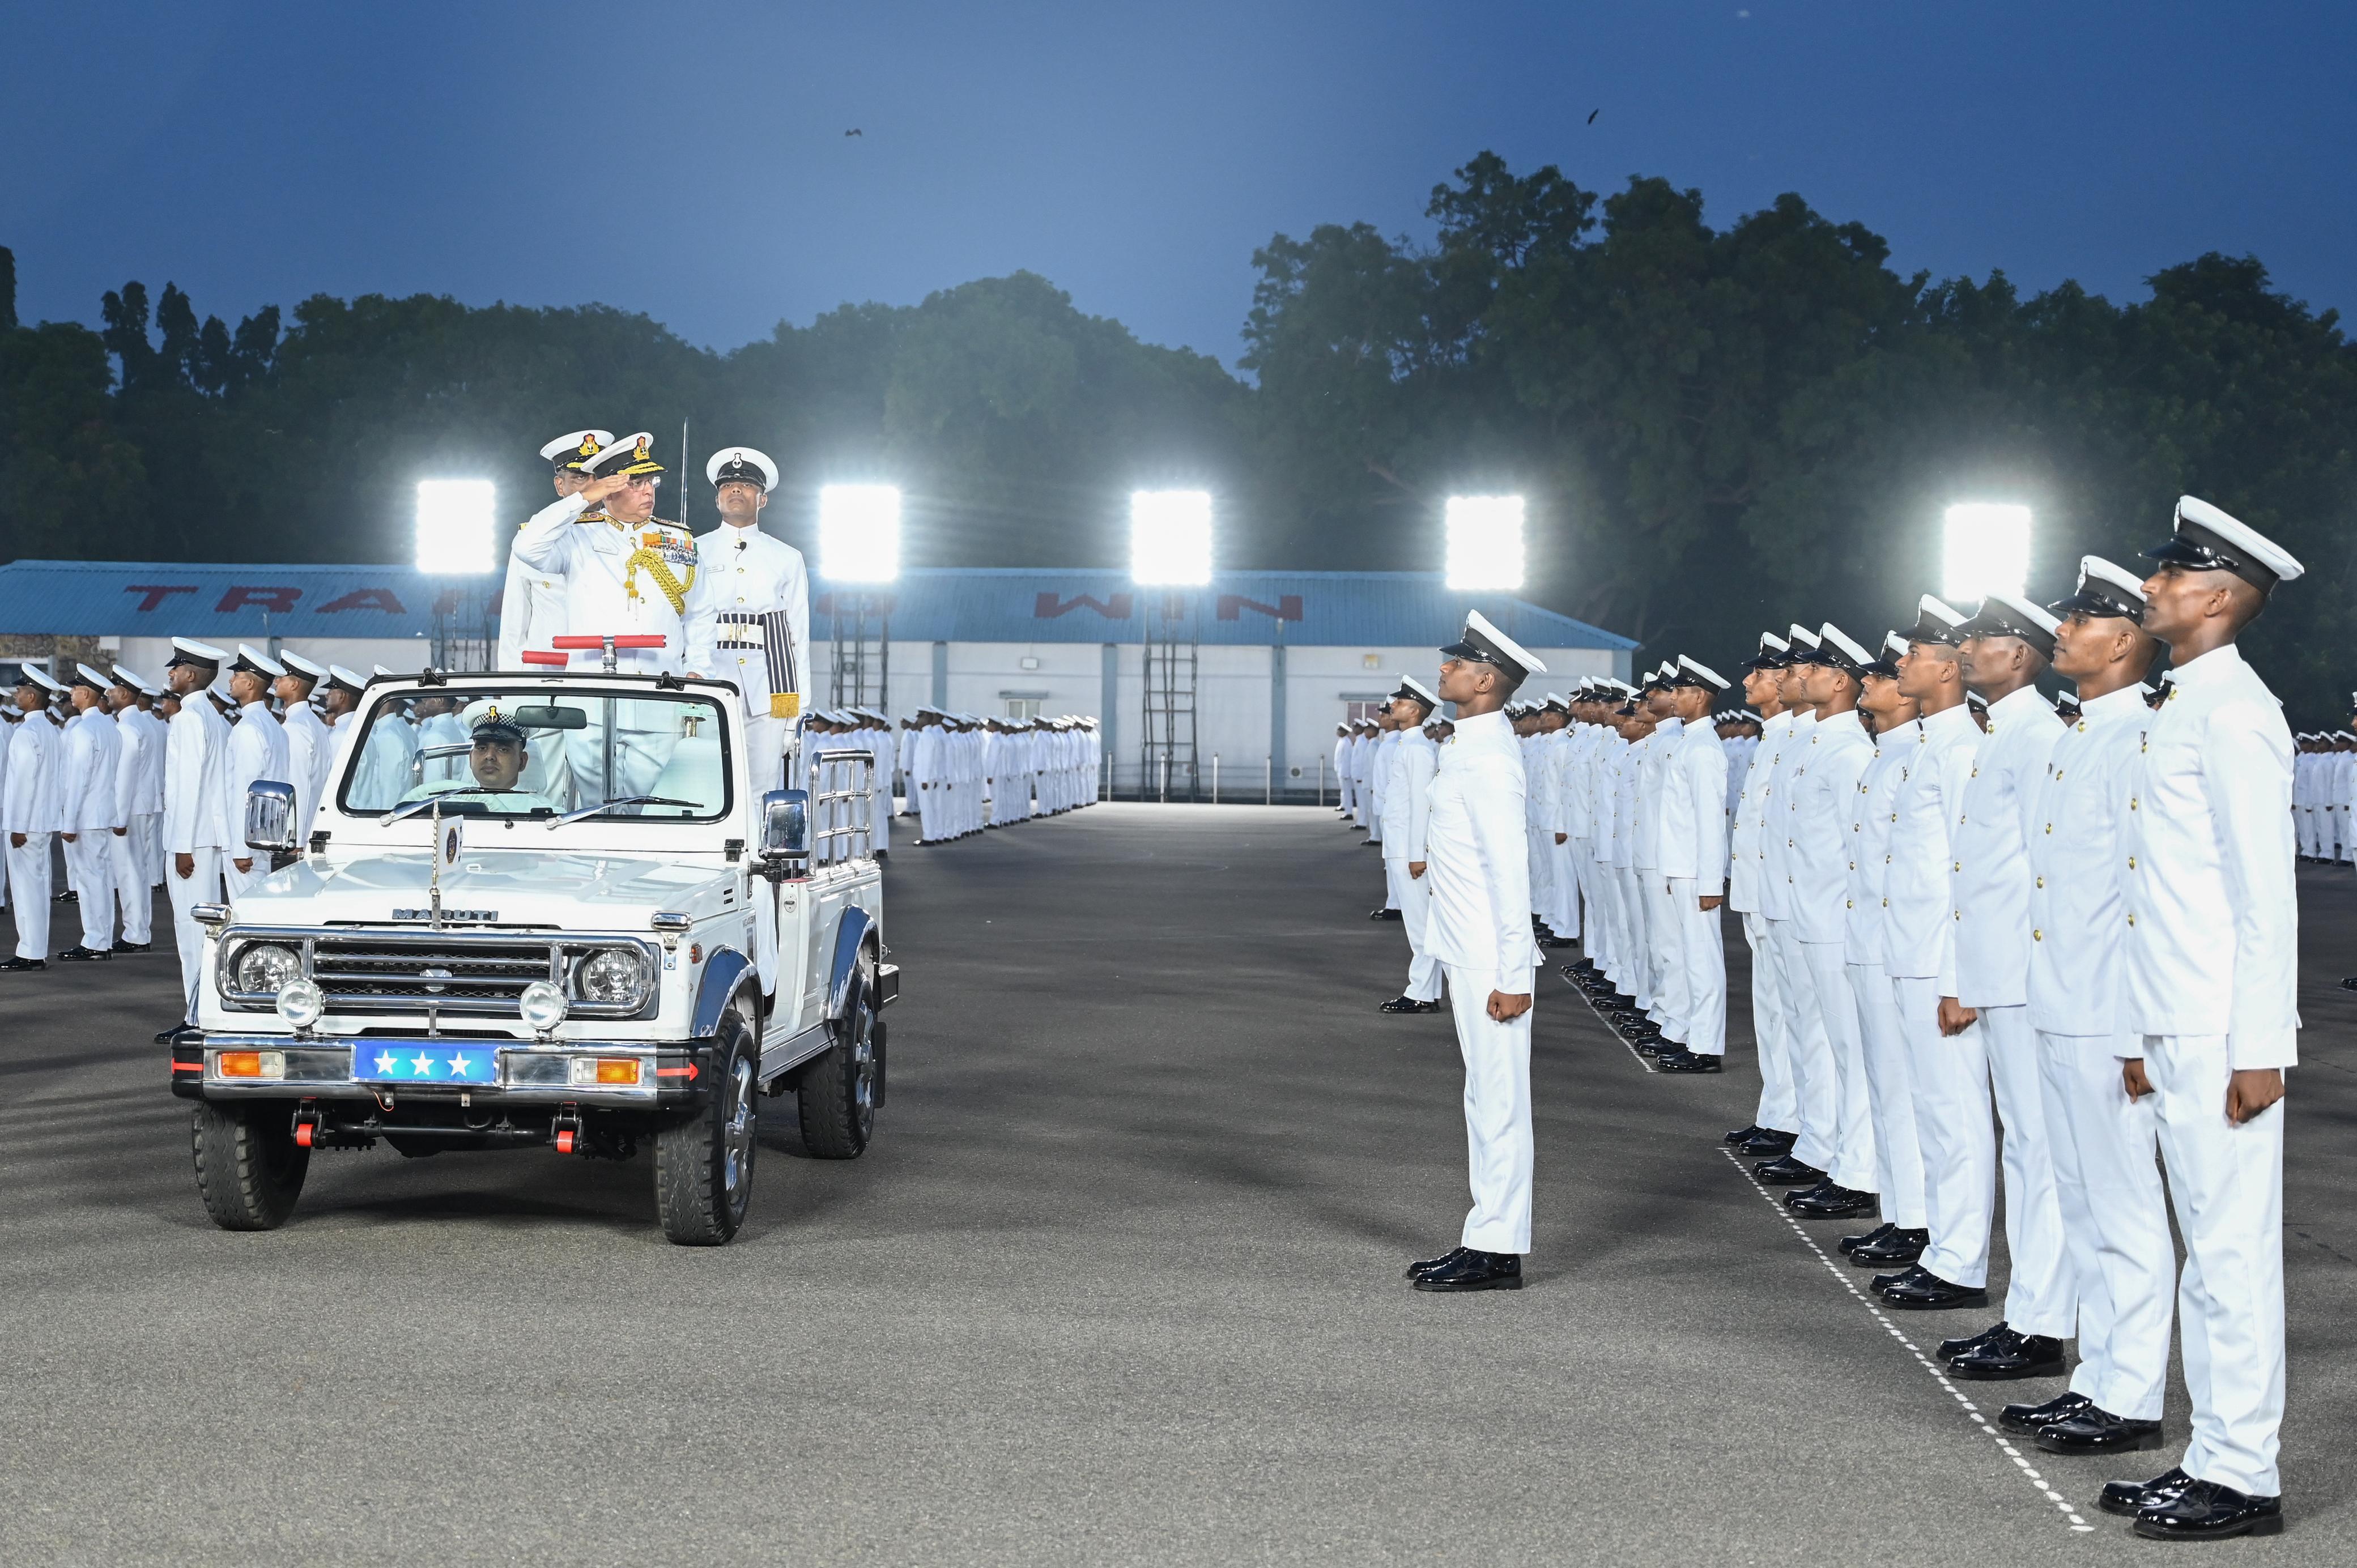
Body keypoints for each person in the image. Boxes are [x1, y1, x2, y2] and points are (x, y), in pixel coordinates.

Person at [2105, 497, 2301, 1541]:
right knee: (2201, 1250)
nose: (2152, 587)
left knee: (2231, 1257)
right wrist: (2144, 1033)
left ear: (2220, 596)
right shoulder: (2181, 703)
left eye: (2173, 575)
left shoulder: (2237, 712)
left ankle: (2244, 1472)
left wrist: (2263, 1046)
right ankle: (2209, 1451)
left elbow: (2265, 896)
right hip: (2176, 1018)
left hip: (2224, 1029)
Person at [2007, 556, 2177, 1461]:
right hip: (2059, 1002)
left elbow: (2144, 899)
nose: (2061, 633)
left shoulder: (2134, 742)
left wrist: (2135, 1029)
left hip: (2107, 1014)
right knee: (2080, 1203)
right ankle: (2098, 1379)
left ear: (2124, 643)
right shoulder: (2081, 735)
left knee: (2123, 1210)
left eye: (2081, 622)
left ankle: (2132, 1394)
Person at [1938, 591, 2073, 1376]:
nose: (1967, 648)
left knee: (2037, 1150)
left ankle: (2041, 1323)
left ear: (2019, 655)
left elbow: (2038, 875)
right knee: (2025, 1145)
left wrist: (2001, 975)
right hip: (1999, 973)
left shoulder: (2036, 738)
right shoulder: (2005, 733)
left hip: (2025, 977)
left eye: (1982, 638)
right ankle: (2029, 1312)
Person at [1407, 611, 1547, 1294]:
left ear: (1485, 679)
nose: (1444, 670)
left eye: (1456, 664)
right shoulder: (1465, 745)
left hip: (1491, 958)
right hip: (1466, 948)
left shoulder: (1490, 756)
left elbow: (1508, 872)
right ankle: (1483, 1233)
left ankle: (1495, 1248)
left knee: (1498, 1100)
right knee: (1481, 1097)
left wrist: (1514, 973)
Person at [1877, 596, 1994, 1312]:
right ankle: (1939, 1244)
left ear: (1948, 670)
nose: (1899, 663)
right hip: (1908, 952)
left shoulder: (1959, 751)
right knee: (1928, 1107)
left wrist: (1958, 977)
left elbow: (1966, 871)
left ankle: (1958, 1262)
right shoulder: (1927, 744)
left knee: (1954, 1115)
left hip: (1938, 963)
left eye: (1914, 655)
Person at [509, 432, 717, 800]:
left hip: (658, 698)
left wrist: (698, 671)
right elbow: (527, 547)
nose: (648, 491)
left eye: (650, 481)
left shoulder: (679, 540)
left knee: (649, 808)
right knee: (596, 807)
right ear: (608, 490)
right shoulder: (576, 538)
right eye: (635, 483)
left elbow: (700, 614)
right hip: (591, 699)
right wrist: (582, 498)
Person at [1838, 632, 1930, 1267]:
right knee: (1884, 1082)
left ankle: (1919, 1219)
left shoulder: (1918, 756)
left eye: (1881, 676)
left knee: (1911, 1089)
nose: (1870, 684)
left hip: (1906, 946)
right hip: (1871, 939)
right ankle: (1899, 1212)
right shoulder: (1882, 755)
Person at [696, 446, 807, 794]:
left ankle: (758, 853)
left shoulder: (787, 557)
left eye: (745, 485)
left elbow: (798, 635)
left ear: (763, 500)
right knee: (709, 784)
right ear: (717, 499)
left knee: (762, 787)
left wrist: (798, 712)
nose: (735, 490)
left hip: (768, 684)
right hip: (710, 677)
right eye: (727, 485)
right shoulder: (693, 550)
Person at [1654, 656, 1733, 1073]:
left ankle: (1706, 1047)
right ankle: (1690, 1036)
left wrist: (1710, 883)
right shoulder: (1689, 742)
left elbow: (1709, 822)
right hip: (1681, 868)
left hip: (1695, 872)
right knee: (1688, 958)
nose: (1674, 697)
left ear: (1701, 697)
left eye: (1682, 691)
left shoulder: (1703, 748)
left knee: (1703, 961)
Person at [158, 640, 233, 1030]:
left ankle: (196, 1017)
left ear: (191, 675)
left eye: (177, 667)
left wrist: (182, 847)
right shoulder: (209, 715)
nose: (170, 672)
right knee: (204, 932)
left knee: (192, 934)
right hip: (205, 837)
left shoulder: (189, 718)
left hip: (192, 840)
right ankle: (203, 1011)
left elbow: (188, 788)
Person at [499, 429, 611, 668]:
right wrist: (508, 684)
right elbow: (514, 622)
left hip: (602, 674)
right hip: (547, 673)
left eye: (597, 477)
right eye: (581, 478)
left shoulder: (619, 538)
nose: (592, 486)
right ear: (560, 486)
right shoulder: (533, 537)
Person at [1377, 676, 1443, 1014]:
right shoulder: (1408, 745)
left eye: (1400, 703)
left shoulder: (1417, 749)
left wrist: (1418, 855)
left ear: (1415, 710)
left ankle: (1421, 993)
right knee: (1419, 925)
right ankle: (1426, 992)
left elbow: (1421, 804)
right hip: (1402, 845)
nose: (1393, 707)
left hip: (1409, 849)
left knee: (1420, 926)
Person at [56, 664, 126, 961]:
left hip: (86, 816)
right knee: (98, 877)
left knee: (90, 879)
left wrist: (68, 821)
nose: (71, 694)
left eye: (74, 690)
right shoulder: (110, 727)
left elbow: (78, 779)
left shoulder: (85, 729)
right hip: (101, 813)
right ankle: (101, 939)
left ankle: (95, 941)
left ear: (85, 693)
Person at [3, 668, 67, 972]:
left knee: (26, 889)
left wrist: (17, 825)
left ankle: (29, 951)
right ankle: (36, 948)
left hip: (26, 824)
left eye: (20, 692)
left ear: (32, 697)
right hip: (42, 821)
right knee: (38, 888)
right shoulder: (51, 731)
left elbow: (24, 783)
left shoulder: (27, 733)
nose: (16, 695)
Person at [219, 645, 291, 902]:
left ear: (249, 683)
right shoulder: (273, 726)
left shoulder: (249, 728)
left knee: (245, 911)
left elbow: (244, 790)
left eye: (236, 676)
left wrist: (241, 847)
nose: (230, 680)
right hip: (264, 834)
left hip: (247, 841)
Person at [105, 667, 165, 952]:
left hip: (128, 810)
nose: (108, 694)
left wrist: (118, 818)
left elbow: (124, 777)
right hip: (142, 806)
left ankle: (135, 933)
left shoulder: (127, 728)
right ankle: (140, 930)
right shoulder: (144, 724)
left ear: (125, 694)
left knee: (129, 872)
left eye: (112, 690)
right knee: (138, 871)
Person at [275, 651, 334, 842]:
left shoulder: (296, 727)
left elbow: (297, 785)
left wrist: (295, 839)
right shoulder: (312, 723)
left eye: (281, 678)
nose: (276, 682)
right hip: (310, 826)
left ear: (294, 685)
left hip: (298, 833)